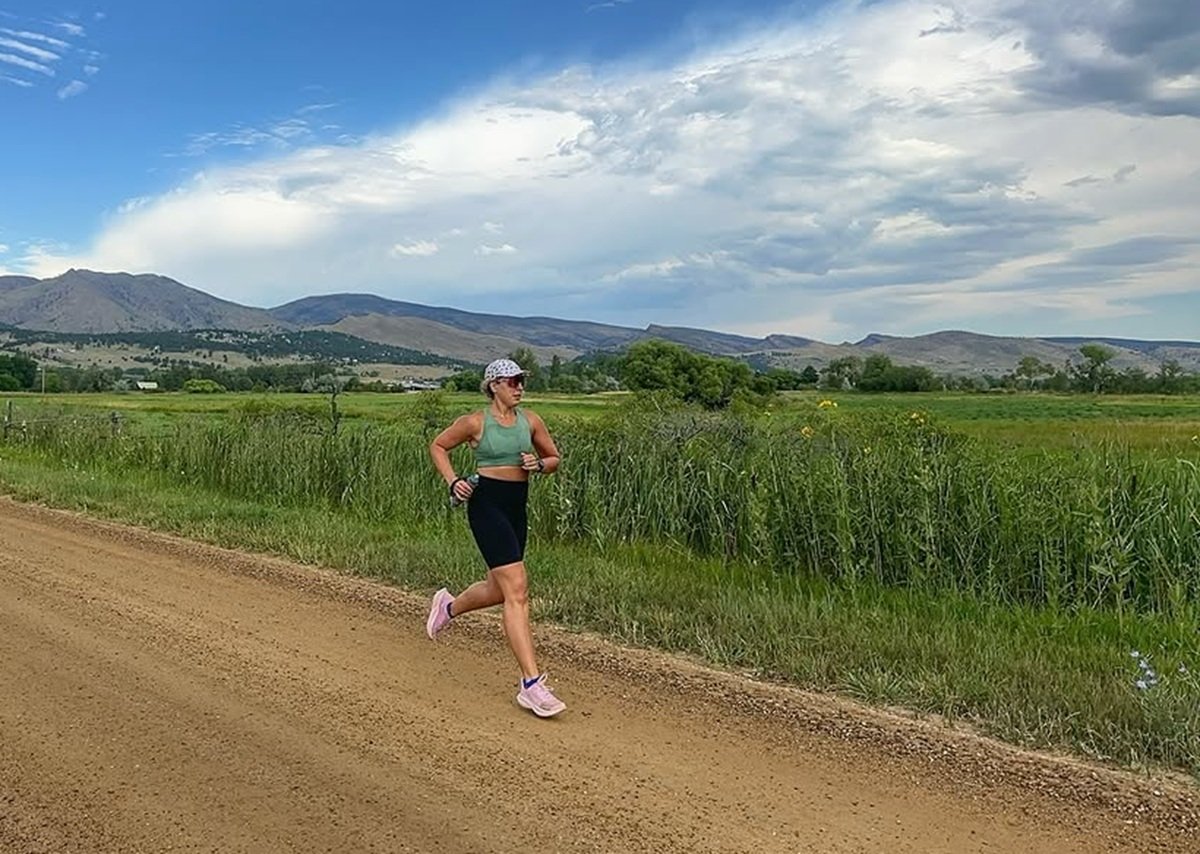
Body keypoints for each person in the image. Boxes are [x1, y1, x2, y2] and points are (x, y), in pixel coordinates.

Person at [425, 358, 566, 718]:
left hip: (517, 506)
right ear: (493, 386)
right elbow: (438, 446)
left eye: (522, 381)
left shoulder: (530, 421)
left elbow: (553, 458)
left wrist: (539, 465)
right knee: (517, 589)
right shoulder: (475, 422)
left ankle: (449, 606)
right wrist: (453, 481)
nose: (520, 387)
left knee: (499, 589)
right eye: (513, 381)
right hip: (486, 505)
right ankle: (531, 684)